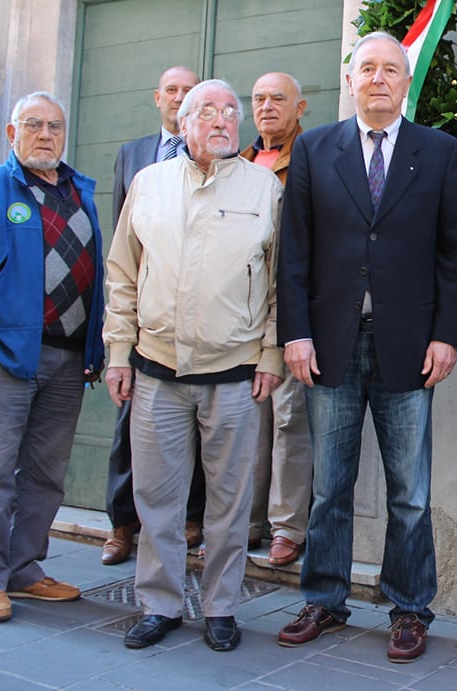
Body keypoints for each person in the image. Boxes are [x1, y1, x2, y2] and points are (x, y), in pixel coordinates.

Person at [276, 32, 457, 663]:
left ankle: (410, 607)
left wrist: (446, 335)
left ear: (405, 80)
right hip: (329, 343)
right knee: (330, 486)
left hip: (410, 346)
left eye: (391, 69)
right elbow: (295, 252)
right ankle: (324, 598)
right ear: (351, 79)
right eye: (369, 68)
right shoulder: (313, 149)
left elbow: (454, 255)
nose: (380, 79)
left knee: (409, 489)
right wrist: (296, 333)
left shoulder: (440, 153)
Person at [103, 79, 284, 653]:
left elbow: (283, 282)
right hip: (156, 370)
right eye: (207, 111)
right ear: (182, 126)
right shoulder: (149, 184)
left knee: (229, 503)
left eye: (231, 112)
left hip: (234, 375)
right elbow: (122, 275)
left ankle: (222, 606)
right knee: (157, 498)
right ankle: (158, 604)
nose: (223, 120)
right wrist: (116, 352)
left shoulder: (264, 188)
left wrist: (272, 352)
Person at [0, 92, 105, 623]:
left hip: (67, 360)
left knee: (46, 474)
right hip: (8, 360)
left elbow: (96, 274)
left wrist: (95, 346)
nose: (45, 135)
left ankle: (26, 571)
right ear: (13, 135)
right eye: (32, 125)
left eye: (54, 126)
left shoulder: (81, 192)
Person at [102, 64, 207, 565]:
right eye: (172, 90)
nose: (179, 97)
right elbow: (124, 246)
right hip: (145, 324)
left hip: (200, 329)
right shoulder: (132, 157)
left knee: (197, 427)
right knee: (129, 431)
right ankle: (122, 525)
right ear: (158, 97)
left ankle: (191, 517)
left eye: (189, 91)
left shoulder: (213, 155)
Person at [242, 71, 313, 567]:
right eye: (259, 99)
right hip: (240, 314)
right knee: (244, 419)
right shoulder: (235, 161)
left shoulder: (312, 159)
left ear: (300, 107)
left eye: (278, 99)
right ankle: (243, 520)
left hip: (289, 308)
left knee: (290, 419)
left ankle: (287, 527)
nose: (267, 107)